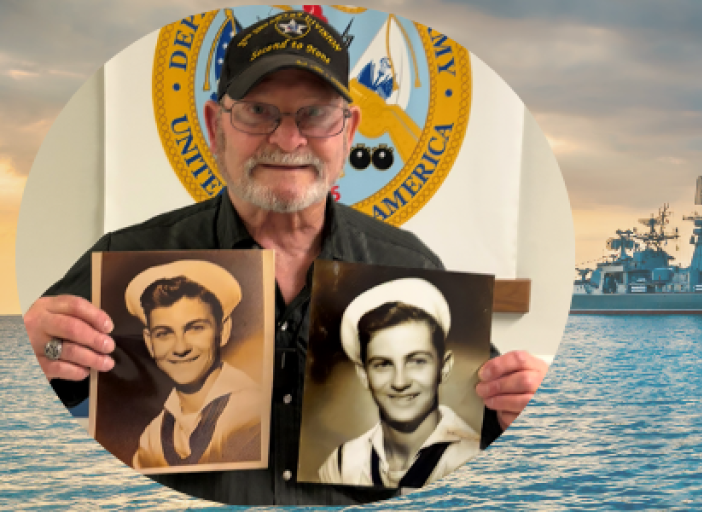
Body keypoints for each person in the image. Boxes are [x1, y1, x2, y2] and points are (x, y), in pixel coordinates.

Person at [23, 9, 548, 507]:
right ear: (215, 126)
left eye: (315, 114)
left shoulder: (409, 266)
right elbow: (43, 424)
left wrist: (514, 413)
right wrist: (36, 360)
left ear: (348, 131)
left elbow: (475, 433)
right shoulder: (126, 257)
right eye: (258, 111)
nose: (288, 138)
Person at [317, 278, 479, 489]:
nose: (400, 382)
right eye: (383, 364)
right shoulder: (342, 464)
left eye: (416, 361)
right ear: (364, 375)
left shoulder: (474, 461)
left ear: (444, 367)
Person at [125, 260, 262, 470]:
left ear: (223, 331)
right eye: (164, 334)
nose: (180, 348)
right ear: (149, 342)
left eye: (195, 328)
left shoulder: (253, 414)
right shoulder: (152, 438)